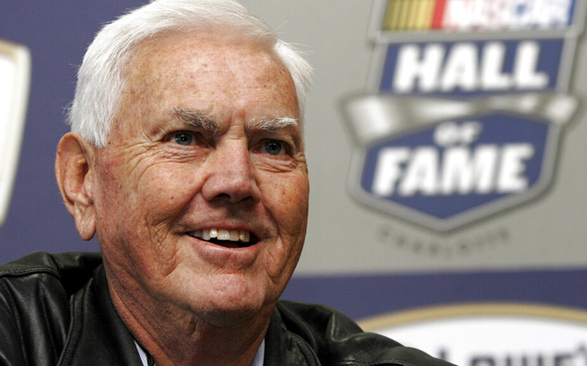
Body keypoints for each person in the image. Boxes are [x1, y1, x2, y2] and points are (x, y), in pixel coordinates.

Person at [0, 1, 455, 365]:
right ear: (83, 179)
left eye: (272, 146)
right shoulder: (17, 334)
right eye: (185, 138)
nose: (237, 182)